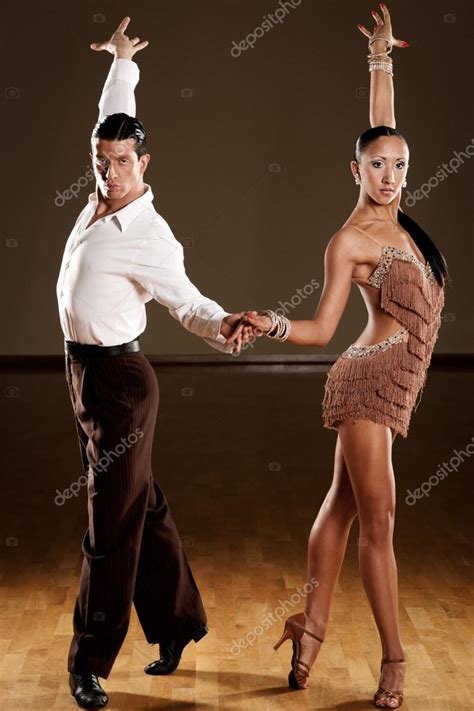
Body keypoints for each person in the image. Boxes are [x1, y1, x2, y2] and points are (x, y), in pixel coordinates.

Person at [227, 4, 449, 708]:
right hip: (366, 384)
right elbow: (323, 329)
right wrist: (269, 323)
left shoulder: (399, 219)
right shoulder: (351, 238)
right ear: (352, 170)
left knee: (343, 505)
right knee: (379, 524)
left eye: (400, 165)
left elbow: (382, 124)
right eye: (376, 166)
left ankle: (309, 627)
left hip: (394, 389)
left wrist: (380, 58)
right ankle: (393, 661)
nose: (390, 175)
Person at [57, 17, 248, 710]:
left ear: (146, 165)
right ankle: (179, 625)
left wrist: (220, 322)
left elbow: (187, 301)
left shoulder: (152, 235)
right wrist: (122, 62)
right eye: (99, 160)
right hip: (82, 374)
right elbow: (119, 113)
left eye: (121, 162)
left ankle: (90, 661)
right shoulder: (105, 182)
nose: (108, 172)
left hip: (121, 386)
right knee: (142, 504)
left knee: (109, 523)